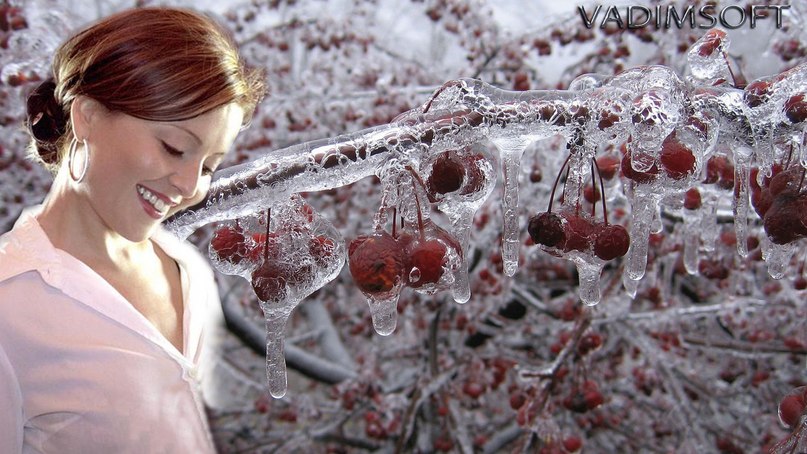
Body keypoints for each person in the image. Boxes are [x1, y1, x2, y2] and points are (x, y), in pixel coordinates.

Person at [0, 6, 265, 453]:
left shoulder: (188, 270)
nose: (189, 186)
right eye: (173, 147)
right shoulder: (11, 303)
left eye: (209, 167)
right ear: (86, 116)